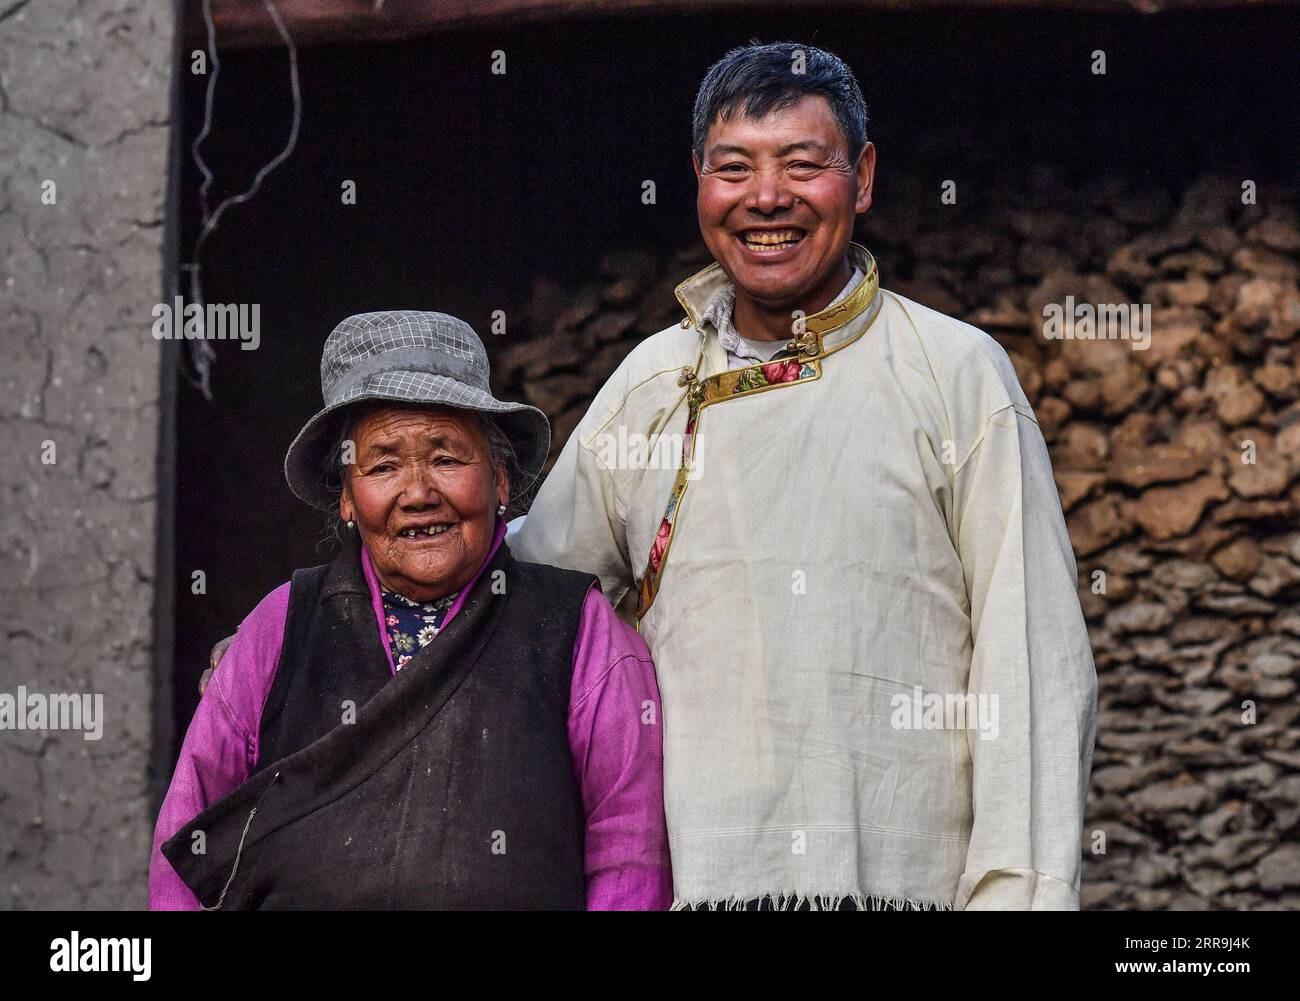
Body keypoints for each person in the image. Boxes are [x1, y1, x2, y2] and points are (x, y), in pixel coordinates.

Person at [509, 42, 1099, 910]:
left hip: (910, 884)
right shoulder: (649, 386)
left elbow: (1033, 659)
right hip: (699, 879)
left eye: (801, 163)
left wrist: (1018, 896)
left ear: (860, 178)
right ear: (699, 182)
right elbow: (535, 602)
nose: (766, 198)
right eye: (734, 167)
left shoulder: (955, 374)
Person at [151, 310, 672, 910]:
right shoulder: (278, 628)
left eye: (447, 458)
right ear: (346, 497)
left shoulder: (577, 631)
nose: (419, 493)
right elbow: (186, 843)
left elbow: (628, 849)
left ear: (500, 480)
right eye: (383, 465)